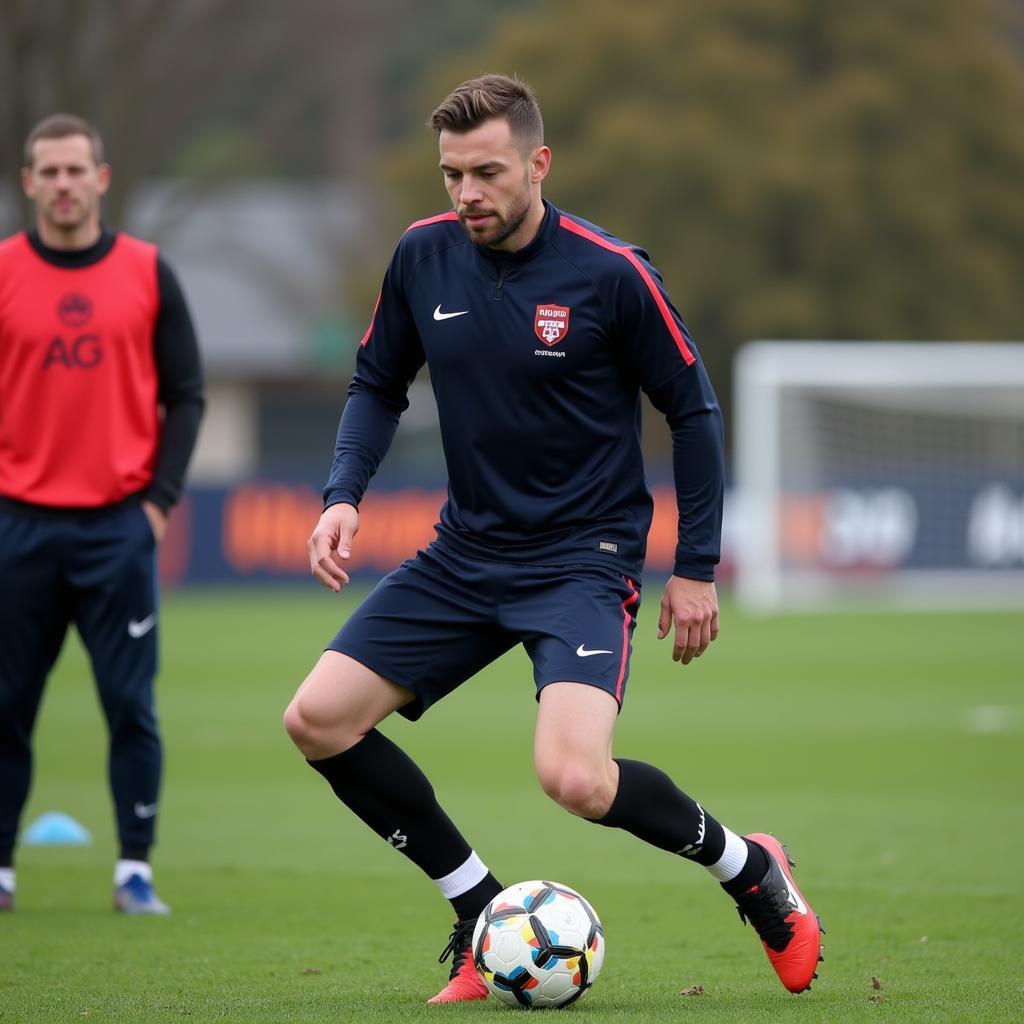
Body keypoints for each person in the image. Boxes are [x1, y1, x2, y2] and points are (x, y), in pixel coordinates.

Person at [284, 74, 822, 1001]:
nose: (466, 195)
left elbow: (692, 413)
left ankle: (751, 870)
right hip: (465, 553)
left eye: (487, 172)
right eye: (452, 174)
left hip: (584, 557)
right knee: (318, 722)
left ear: (538, 164)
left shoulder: (611, 272)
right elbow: (378, 384)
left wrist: (694, 569)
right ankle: (478, 911)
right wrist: (343, 495)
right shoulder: (422, 257)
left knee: (574, 778)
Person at [0, 114, 205, 915]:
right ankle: (4, 872)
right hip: (18, 526)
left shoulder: (150, 273)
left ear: (101, 178)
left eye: (74, 170)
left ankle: (133, 870)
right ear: (28, 183)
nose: (61, 185)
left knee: (130, 707)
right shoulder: (5, 272)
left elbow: (186, 397)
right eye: (46, 172)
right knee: (6, 706)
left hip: (118, 528)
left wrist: (157, 505)